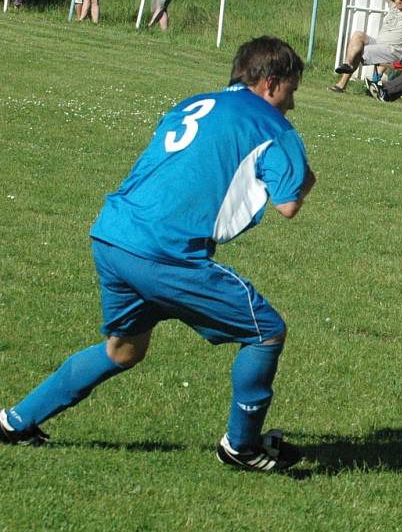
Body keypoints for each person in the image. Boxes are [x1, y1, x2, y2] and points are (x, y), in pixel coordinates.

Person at [0, 36, 317, 473]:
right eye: (292, 91)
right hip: (164, 253)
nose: (292, 104)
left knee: (123, 350)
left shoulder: (194, 103)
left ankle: (15, 421)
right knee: (266, 331)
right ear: (270, 83)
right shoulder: (272, 126)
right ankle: (241, 447)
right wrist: (306, 175)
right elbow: (289, 204)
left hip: (113, 236)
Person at [328, 0, 402, 93]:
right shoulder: (393, 6)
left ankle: (342, 84)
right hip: (379, 44)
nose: (401, 1)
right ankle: (347, 64)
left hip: (393, 50)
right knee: (358, 35)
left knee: (359, 50)